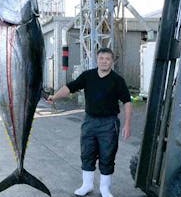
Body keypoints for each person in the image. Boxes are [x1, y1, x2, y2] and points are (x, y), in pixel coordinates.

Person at [47, 48, 132, 197]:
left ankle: (105, 189)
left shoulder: (118, 80)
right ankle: (87, 185)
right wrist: (55, 97)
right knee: (87, 153)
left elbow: (127, 102)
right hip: (89, 122)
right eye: (101, 58)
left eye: (107, 59)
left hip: (109, 123)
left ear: (112, 61)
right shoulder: (88, 76)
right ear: (97, 60)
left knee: (107, 155)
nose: (104, 61)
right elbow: (70, 87)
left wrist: (127, 124)